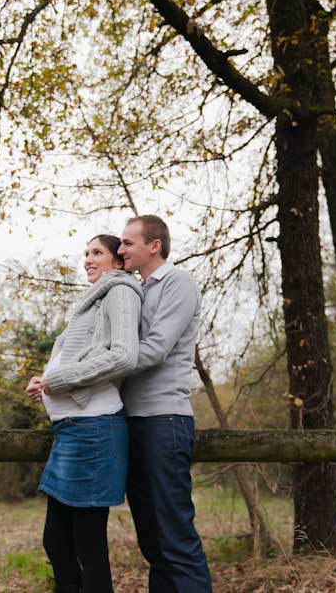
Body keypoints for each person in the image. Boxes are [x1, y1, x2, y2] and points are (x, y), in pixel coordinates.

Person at [25, 234, 143, 593]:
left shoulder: (120, 291)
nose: (88, 260)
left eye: (97, 253)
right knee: (57, 543)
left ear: (118, 262)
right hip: (72, 433)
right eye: (85, 254)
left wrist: (56, 379)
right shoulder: (94, 299)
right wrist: (44, 383)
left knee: (87, 547)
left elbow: (123, 355)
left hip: (94, 432)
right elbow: (78, 360)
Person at [117, 214, 212, 592]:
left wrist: (94, 369)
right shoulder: (137, 290)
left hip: (164, 421)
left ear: (154, 246)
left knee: (175, 538)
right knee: (153, 543)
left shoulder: (177, 284)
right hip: (133, 422)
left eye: (128, 242)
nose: (120, 249)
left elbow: (155, 349)